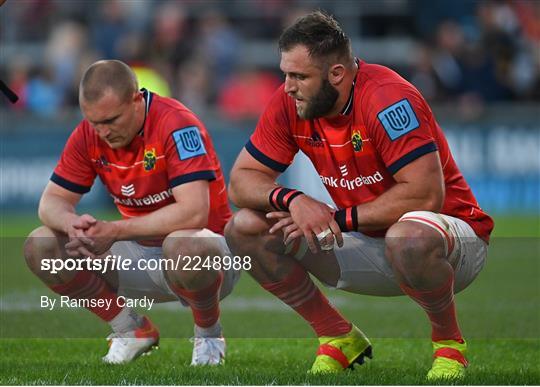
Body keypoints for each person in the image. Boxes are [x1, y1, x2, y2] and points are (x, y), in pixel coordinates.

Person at [225, 11, 493, 380]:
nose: (287, 86)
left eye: (299, 76)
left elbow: (425, 195)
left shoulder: (388, 100)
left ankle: (450, 346)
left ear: (337, 74)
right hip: (364, 238)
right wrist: (294, 200)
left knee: (409, 234)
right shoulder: (291, 102)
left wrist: (336, 218)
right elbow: (240, 182)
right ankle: (337, 337)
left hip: (448, 243)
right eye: (286, 73)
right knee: (244, 227)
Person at [23, 60, 239, 365]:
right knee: (40, 244)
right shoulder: (90, 133)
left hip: (206, 256)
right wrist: (72, 224)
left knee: (187, 244)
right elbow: (51, 203)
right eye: (94, 122)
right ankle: (130, 330)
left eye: (111, 120)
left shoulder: (176, 123)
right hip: (139, 252)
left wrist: (114, 231)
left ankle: (208, 336)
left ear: (136, 99)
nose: (103, 132)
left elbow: (194, 213)